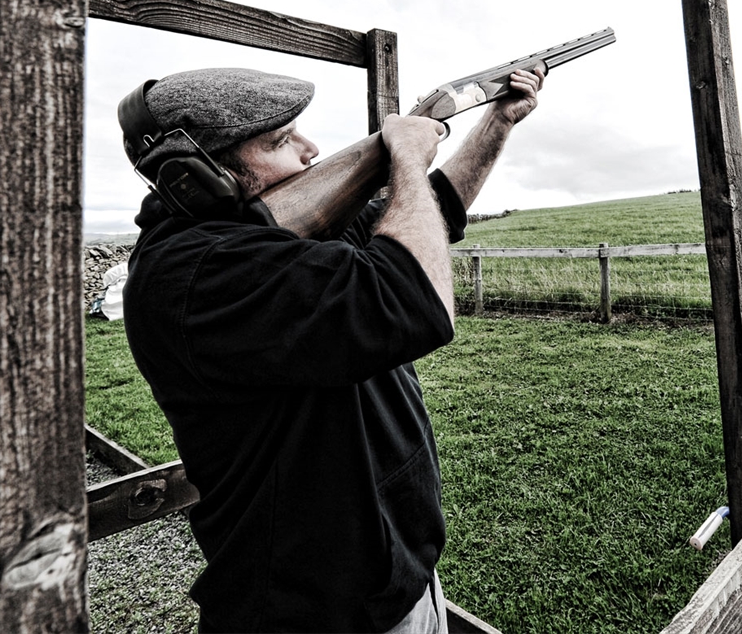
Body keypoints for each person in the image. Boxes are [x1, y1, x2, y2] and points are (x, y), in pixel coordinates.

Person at [119, 65, 544, 632]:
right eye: (279, 140)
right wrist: (406, 160)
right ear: (193, 175)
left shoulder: (273, 234)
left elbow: (431, 216)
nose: (310, 148)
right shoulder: (198, 272)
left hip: (392, 577)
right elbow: (412, 297)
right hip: (318, 608)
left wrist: (497, 122)